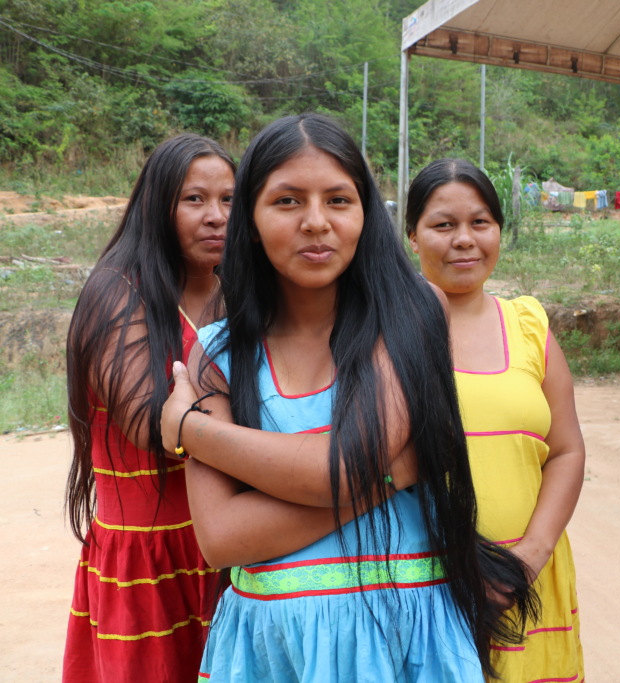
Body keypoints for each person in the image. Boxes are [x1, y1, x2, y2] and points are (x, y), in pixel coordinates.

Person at [160, 114, 536, 682]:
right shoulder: (218, 350)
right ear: (252, 221)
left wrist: (192, 431)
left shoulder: (410, 314)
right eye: (287, 201)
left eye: (339, 199)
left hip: (405, 639)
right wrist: (386, 473)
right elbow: (221, 537)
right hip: (273, 648)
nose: (316, 222)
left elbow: (337, 469)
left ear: (366, 214)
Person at [63, 134, 235, 682]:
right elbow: (150, 426)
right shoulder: (118, 292)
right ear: (157, 205)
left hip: (229, 547)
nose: (216, 217)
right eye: (195, 200)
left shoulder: (236, 291)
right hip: (149, 563)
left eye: (230, 200)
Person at [406, 158, 586, 682]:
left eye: (480, 223)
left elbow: (568, 451)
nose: (465, 239)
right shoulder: (384, 331)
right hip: (425, 586)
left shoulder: (529, 326)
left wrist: (529, 557)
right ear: (412, 235)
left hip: (529, 586)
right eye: (444, 225)